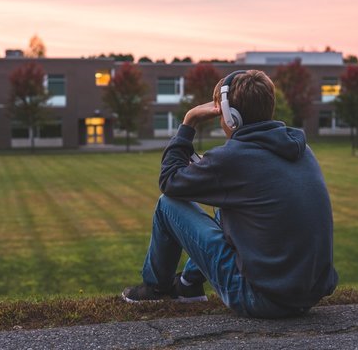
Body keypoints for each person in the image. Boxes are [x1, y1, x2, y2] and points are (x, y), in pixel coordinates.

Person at [122, 69, 338, 318]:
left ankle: (155, 288)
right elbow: (248, 175)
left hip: (258, 298)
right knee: (228, 209)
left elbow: (169, 180)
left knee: (167, 204)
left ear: (230, 116)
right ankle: (188, 286)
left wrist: (189, 121)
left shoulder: (232, 159)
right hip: (305, 297)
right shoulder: (300, 149)